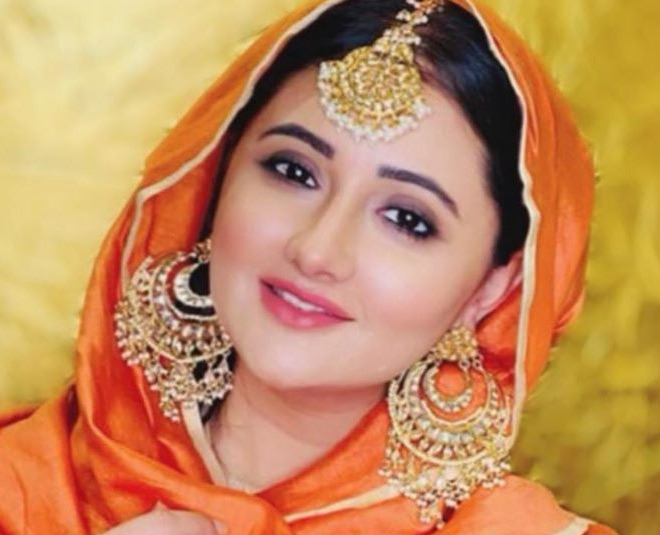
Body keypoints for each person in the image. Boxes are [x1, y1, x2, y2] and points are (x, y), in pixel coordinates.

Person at [0, 0, 617, 533]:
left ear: (491, 288)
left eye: (407, 219)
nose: (317, 250)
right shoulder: (23, 480)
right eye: (293, 171)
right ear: (216, 174)